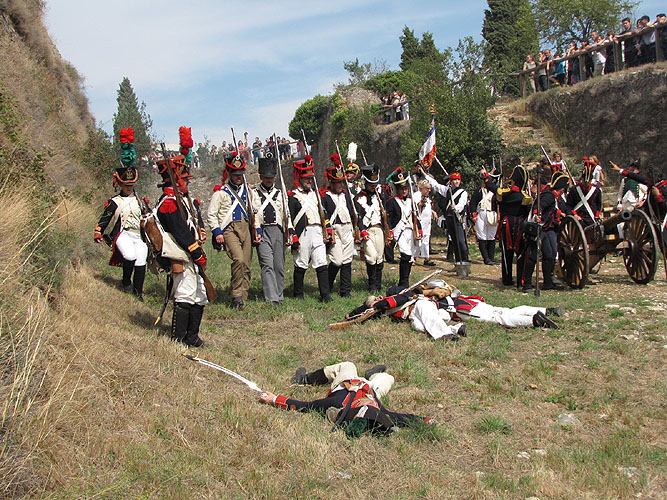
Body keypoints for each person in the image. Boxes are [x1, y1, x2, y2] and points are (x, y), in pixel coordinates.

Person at [260, 362, 435, 438]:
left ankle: (304, 379)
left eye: (371, 405)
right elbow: (400, 418)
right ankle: (372, 375)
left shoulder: (337, 403)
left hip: (346, 383)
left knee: (349, 365)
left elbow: (305, 406)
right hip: (369, 388)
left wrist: (274, 399)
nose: (374, 405)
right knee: (388, 378)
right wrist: (424, 420)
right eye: (373, 405)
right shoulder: (378, 410)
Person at [154, 129, 207, 347]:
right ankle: (178, 339)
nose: (187, 182)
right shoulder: (168, 204)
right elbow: (181, 233)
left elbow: (191, 225)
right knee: (185, 294)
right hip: (181, 255)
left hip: (189, 254)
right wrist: (197, 252)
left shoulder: (181, 200)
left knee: (200, 295)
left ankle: (192, 336)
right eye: (184, 179)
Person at [94, 127, 149, 300]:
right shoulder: (115, 201)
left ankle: (138, 292)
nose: (129, 187)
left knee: (141, 259)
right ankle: (126, 282)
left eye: (131, 185)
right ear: (120, 184)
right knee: (129, 255)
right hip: (123, 233)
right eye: (126, 185)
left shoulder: (141, 200)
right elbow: (105, 218)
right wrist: (98, 231)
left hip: (138, 234)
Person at [207, 152, 259, 309]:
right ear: (229, 173)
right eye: (235, 174)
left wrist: (257, 229)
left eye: (240, 174)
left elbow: (255, 211)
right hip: (229, 229)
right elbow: (211, 214)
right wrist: (217, 232)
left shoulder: (249, 192)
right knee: (239, 260)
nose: (238, 177)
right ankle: (236, 294)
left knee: (247, 265)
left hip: (246, 228)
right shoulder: (221, 192)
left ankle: (243, 296)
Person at [288, 155, 333, 302]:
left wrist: (328, 230)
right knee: (301, 263)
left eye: (311, 178)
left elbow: (324, 214)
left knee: (322, 262)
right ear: (300, 178)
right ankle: (298, 294)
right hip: (304, 232)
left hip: (318, 231)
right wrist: (293, 236)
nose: (309, 181)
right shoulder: (293, 196)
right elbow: (289, 219)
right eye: (306, 178)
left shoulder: (317, 195)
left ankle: (325, 295)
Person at [481, 165, 533, 288]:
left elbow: (492, 187)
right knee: (521, 254)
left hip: (507, 226)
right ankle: (521, 281)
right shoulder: (526, 198)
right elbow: (528, 214)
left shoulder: (504, 193)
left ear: (513, 181)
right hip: (520, 226)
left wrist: (486, 176)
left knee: (506, 254)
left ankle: (507, 279)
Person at [252, 155, 293, 305]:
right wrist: (256, 230)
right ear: (261, 176)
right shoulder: (253, 193)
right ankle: (272, 298)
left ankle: (279, 295)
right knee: (267, 265)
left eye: (271, 176)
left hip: (278, 231)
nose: (269, 179)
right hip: (262, 231)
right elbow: (253, 213)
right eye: (266, 176)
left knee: (278, 265)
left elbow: (286, 214)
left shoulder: (280, 194)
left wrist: (289, 232)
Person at [322, 158, 356, 298]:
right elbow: (324, 215)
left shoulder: (346, 195)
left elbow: (352, 212)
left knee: (347, 260)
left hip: (347, 228)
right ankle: (327, 285)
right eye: (338, 182)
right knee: (337, 260)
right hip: (335, 230)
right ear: (331, 182)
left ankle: (345, 291)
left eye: (342, 182)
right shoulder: (325, 197)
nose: (341, 185)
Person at [355, 164, 391, 292]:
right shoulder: (358, 198)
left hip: (379, 229)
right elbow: (358, 218)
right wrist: (362, 231)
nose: (373, 187)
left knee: (379, 257)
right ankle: (372, 285)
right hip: (368, 230)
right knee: (371, 257)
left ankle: (378, 284)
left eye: (374, 184)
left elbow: (385, 216)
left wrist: (388, 232)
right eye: (370, 184)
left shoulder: (380, 197)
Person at [386, 167, 422, 287]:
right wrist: (389, 231)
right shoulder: (392, 202)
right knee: (406, 254)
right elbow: (388, 219)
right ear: (397, 189)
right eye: (402, 188)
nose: (404, 191)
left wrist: (419, 230)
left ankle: (404, 281)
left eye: (406, 188)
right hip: (399, 231)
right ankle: (403, 283)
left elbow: (416, 217)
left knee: (410, 257)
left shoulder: (411, 202)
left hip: (410, 231)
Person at [470, 170, 499, 265]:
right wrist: (473, 214)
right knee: (482, 236)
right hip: (481, 213)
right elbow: (473, 202)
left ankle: (491, 257)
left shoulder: (496, 192)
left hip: (492, 214)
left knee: (491, 236)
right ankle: (486, 258)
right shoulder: (479, 191)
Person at [566, 159, 602, 227]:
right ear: (582, 179)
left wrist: (596, 215)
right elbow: (568, 206)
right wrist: (575, 215)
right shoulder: (574, 190)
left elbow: (598, 205)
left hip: (591, 218)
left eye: (588, 181)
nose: (586, 183)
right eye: (585, 181)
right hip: (578, 218)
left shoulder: (596, 191)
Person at [414, 179, 436, 266]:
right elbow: (415, 207)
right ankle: (413, 258)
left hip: (427, 222)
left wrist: (433, 212)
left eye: (430, 189)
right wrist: (422, 202)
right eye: (427, 188)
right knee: (417, 240)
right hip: (420, 221)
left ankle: (426, 258)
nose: (429, 190)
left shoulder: (426, 196)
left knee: (426, 240)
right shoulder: (417, 195)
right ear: (421, 188)